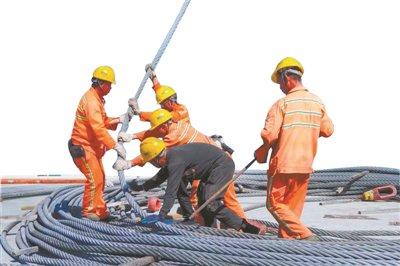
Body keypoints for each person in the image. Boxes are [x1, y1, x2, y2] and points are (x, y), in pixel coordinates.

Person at [116, 109, 246, 222]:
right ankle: (207, 225)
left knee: (217, 199)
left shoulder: (173, 137)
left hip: (217, 166)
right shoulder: (178, 122)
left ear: (163, 126)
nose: (156, 132)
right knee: (204, 199)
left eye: (157, 129)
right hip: (207, 162)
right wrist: (133, 134)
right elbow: (156, 122)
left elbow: (152, 153)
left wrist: (130, 163)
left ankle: (240, 229)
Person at [255, 57, 334, 240]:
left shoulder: (282, 104)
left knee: (274, 204)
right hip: (305, 165)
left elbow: (270, 135)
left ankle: (306, 236)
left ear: (287, 77)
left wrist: (261, 152)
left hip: (283, 164)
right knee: (291, 209)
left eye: (280, 82)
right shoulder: (317, 102)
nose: (280, 87)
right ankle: (288, 246)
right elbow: (328, 130)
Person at [115, 138, 263, 234]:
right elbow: (158, 178)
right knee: (203, 202)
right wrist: (139, 188)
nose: (153, 165)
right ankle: (210, 232)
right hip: (211, 170)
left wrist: (162, 216)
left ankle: (247, 228)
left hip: (222, 166)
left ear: (157, 158)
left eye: (152, 162)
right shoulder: (171, 158)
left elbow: (170, 191)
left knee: (211, 202)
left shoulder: (175, 161)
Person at [68, 66, 127, 221]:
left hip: (91, 148)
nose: (111, 88)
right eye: (109, 84)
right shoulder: (91, 101)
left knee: (100, 177)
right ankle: (89, 213)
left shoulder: (97, 99)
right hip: (82, 147)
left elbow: (103, 121)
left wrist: (119, 119)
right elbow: (98, 128)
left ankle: (100, 211)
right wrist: (115, 145)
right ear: (101, 83)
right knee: (95, 179)